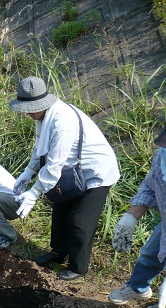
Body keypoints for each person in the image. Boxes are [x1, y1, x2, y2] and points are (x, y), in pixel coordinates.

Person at [8, 76, 120, 280]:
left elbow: (54, 164)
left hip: (95, 172)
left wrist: (34, 193)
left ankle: (78, 267)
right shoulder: (44, 116)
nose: (27, 113)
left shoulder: (62, 122)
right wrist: (28, 172)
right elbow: (40, 147)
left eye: (30, 108)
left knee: (79, 221)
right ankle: (58, 253)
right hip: (72, 170)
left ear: (41, 104)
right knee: (60, 211)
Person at [108, 128, 166, 306]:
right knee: (151, 253)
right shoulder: (162, 155)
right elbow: (150, 185)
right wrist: (130, 218)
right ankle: (138, 287)